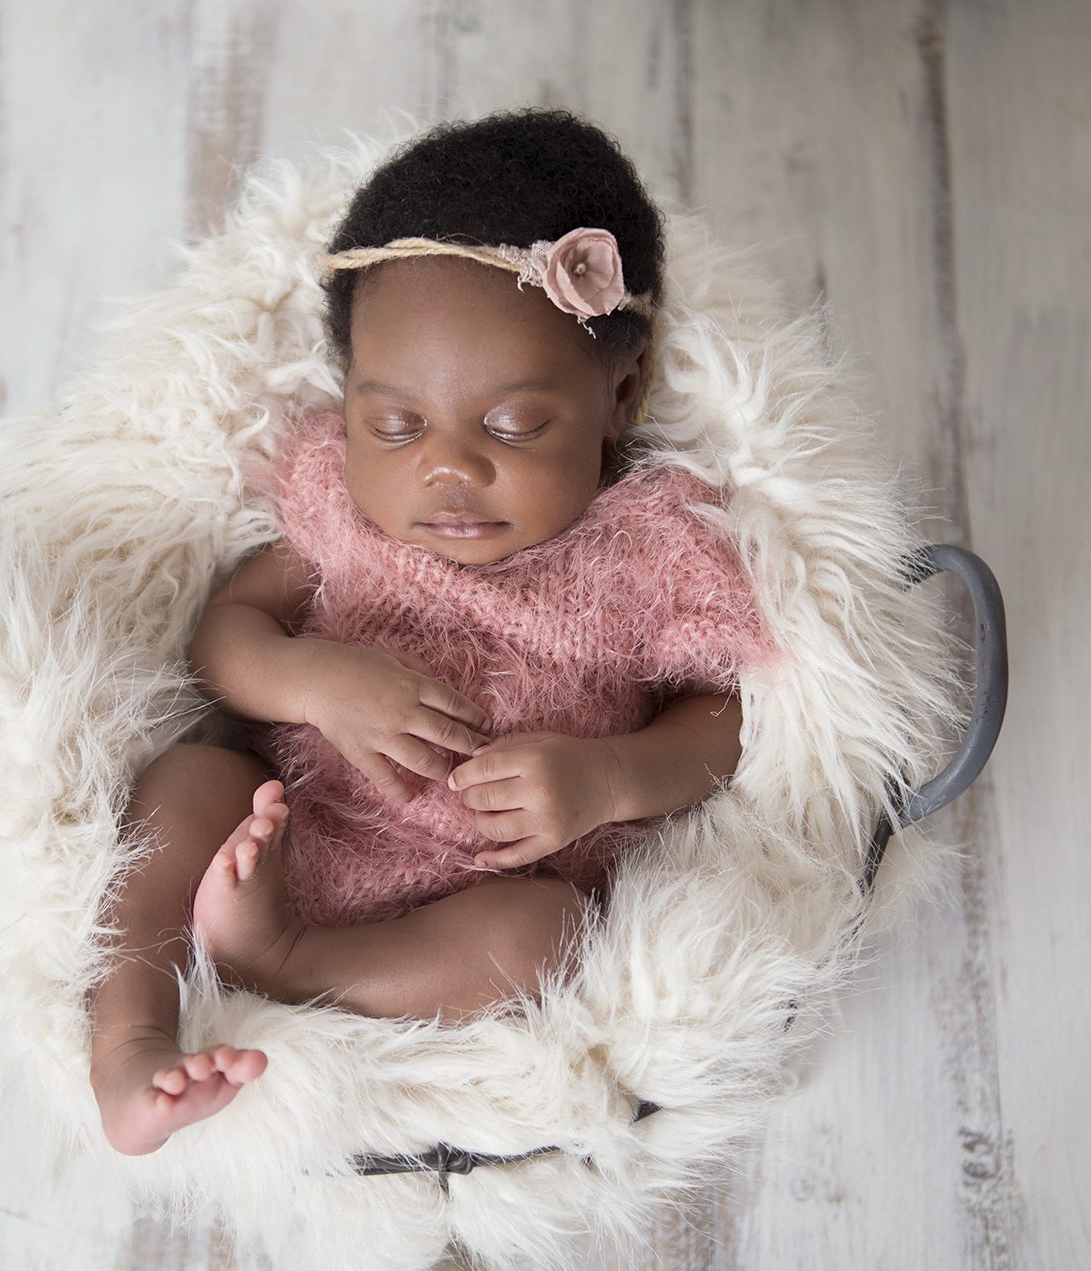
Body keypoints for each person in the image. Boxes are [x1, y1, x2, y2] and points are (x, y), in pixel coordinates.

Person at [89, 108, 779, 1156]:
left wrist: (607, 779)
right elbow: (222, 637)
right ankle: (130, 1041)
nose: (445, 470)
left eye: (511, 425)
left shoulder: (651, 546)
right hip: (284, 827)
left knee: (546, 940)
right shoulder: (340, 506)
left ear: (617, 395)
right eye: (395, 425)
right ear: (350, 402)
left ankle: (294, 965)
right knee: (190, 782)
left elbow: (727, 721)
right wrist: (308, 678)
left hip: (476, 896)